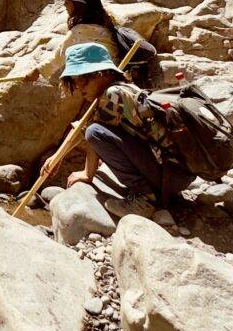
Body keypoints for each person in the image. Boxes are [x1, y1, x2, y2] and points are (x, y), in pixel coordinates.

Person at [38, 41, 194, 216]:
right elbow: (83, 128)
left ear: (101, 74)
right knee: (95, 131)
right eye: (76, 82)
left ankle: (145, 198)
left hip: (170, 176)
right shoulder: (124, 88)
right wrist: (58, 157)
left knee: (95, 132)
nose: (79, 87)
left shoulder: (112, 95)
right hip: (179, 174)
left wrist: (88, 174)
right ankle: (156, 190)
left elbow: (92, 135)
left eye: (82, 79)